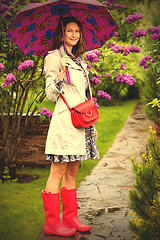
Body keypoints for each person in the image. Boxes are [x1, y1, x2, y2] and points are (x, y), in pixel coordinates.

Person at [42, 16, 100, 237]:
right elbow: (49, 94)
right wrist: (59, 72)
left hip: (81, 122)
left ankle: (70, 218)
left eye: (77, 31)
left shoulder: (79, 59)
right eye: (69, 31)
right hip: (65, 122)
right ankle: (51, 223)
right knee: (58, 169)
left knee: (73, 170)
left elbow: (84, 94)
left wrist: (91, 123)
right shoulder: (54, 57)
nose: (74, 35)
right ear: (61, 33)